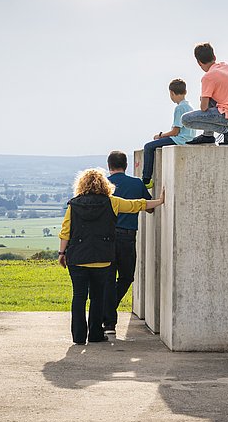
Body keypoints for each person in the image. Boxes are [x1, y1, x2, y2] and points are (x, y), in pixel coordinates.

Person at [58, 169, 165, 345]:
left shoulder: (73, 205)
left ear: (81, 185)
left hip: (77, 258)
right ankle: (95, 335)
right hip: (102, 258)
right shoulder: (112, 202)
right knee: (97, 297)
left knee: (78, 297)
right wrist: (160, 201)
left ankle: (78, 337)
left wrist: (62, 254)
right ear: (104, 184)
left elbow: (65, 232)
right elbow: (135, 205)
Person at [103, 151, 152, 335]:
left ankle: (107, 320)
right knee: (126, 277)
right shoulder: (136, 184)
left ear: (109, 166)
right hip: (126, 238)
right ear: (126, 165)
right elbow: (149, 207)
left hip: (105, 239)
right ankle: (107, 316)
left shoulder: (104, 185)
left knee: (107, 279)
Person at [181, 42, 228, 146]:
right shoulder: (225, 66)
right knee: (209, 97)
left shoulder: (208, 77)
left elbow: (203, 108)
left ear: (199, 62)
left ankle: (227, 130)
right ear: (214, 56)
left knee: (185, 119)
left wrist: (203, 98)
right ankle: (207, 136)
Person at [142, 78, 196, 188]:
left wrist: (160, 135)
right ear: (185, 92)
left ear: (171, 93)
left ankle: (146, 180)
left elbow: (175, 131)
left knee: (148, 147)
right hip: (189, 138)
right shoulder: (189, 106)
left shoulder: (179, 108)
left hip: (180, 139)